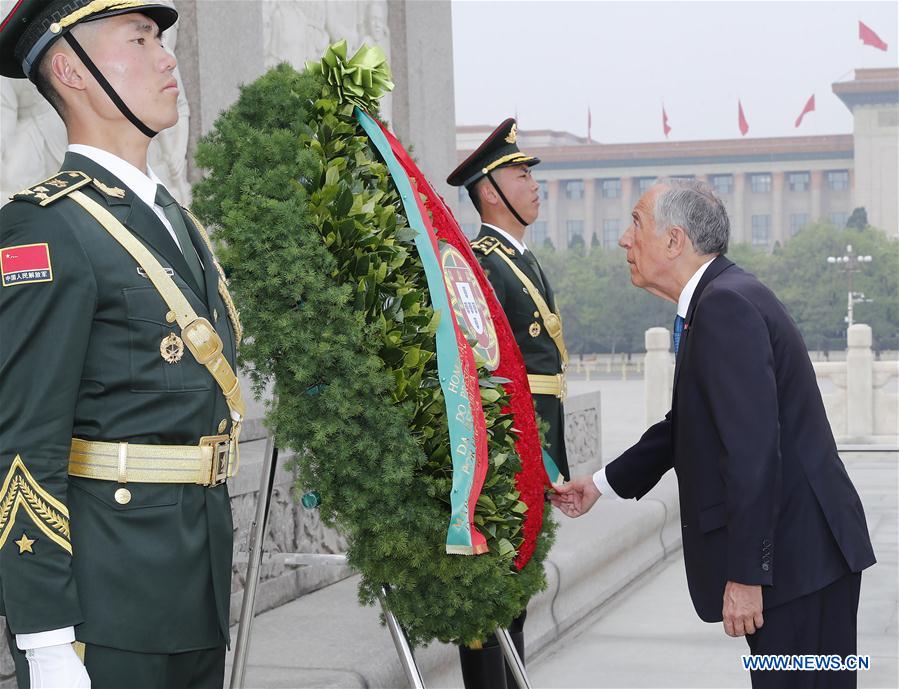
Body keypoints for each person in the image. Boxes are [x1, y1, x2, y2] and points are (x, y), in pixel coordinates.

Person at [0, 2, 244, 687]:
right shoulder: (45, 230)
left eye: (161, 40)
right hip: (106, 604)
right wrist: (45, 636)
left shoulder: (173, 221)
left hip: (194, 581)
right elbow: (23, 445)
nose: (166, 58)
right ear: (71, 69)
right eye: (138, 40)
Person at [551, 178, 876, 689]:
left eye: (636, 224)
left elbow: (753, 451)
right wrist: (603, 483)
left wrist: (749, 575)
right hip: (804, 555)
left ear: (674, 241)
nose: (623, 240)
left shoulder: (724, 306)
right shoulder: (721, 296)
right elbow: (689, 424)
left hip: (796, 563)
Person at [447, 118, 570, 689]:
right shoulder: (480, 261)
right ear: (490, 191)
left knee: (515, 593)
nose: (534, 184)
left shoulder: (518, 256)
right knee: (494, 599)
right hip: (507, 455)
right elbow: (488, 371)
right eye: (521, 174)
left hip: (532, 450)